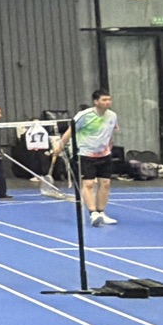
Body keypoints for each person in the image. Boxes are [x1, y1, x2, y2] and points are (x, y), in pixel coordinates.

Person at [54, 90, 119, 227]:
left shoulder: (112, 116)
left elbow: (109, 132)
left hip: (104, 154)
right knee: (88, 184)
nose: (107, 102)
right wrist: (60, 146)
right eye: (104, 100)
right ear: (96, 102)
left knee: (105, 183)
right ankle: (93, 213)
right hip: (85, 154)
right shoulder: (84, 116)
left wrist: (109, 145)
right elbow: (70, 131)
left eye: (109, 99)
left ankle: (101, 213)